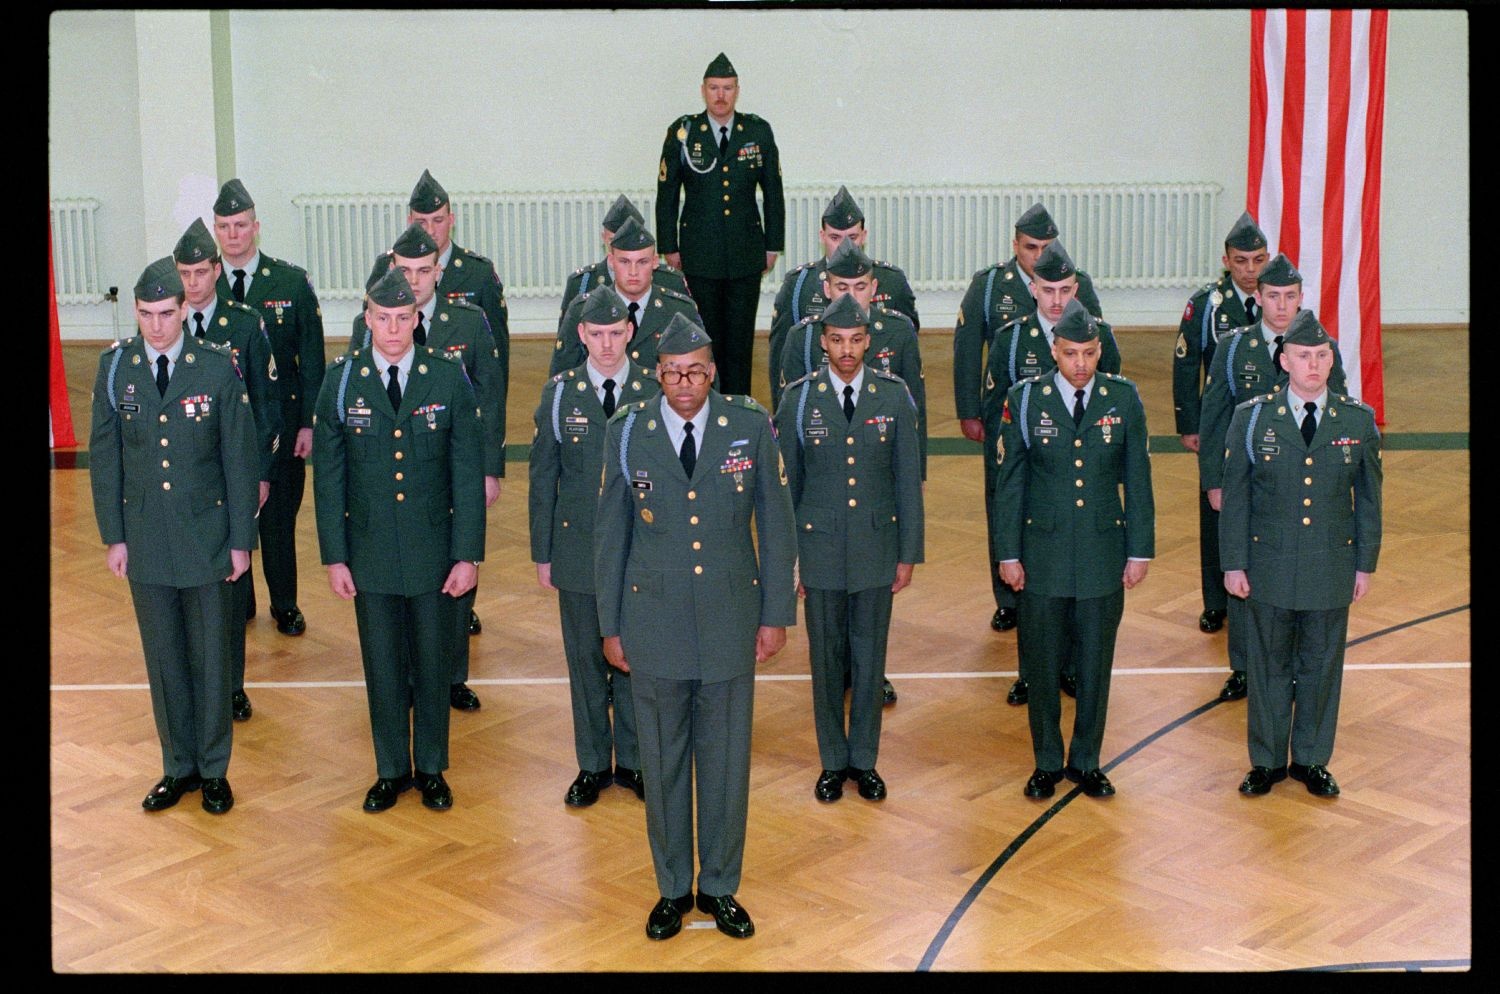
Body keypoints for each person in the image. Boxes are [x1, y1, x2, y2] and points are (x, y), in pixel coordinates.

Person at [595, 313, 797, 941]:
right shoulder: (627, 433)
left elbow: (777, 522)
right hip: (651, 622)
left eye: (698, 371)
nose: (686, 383)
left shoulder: (748, 426)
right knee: (660, 762)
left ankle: (720, 887)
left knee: (727, 762)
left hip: (730, 619)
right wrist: (611, 625)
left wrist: (775, 616)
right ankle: (671, 887)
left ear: (714, 372)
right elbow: (610, 537)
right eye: (674, 372)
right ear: (656, 373)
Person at [311, 268, 486, 812]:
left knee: (434, 664)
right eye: (382, 319)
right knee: (382, 664)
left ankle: (431, 768)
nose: (392, 329)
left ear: (417, 319)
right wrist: (335, 557)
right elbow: (329, 477)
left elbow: (466, 473)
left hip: (434, 550)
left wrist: (468, 554)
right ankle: (390, 769)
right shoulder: (341, 381)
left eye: (403, 318)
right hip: (371, 554)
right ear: (367, 320)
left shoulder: (446, 377)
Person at [89, 257, 259, 814]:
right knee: (163, 657)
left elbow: (238, 459)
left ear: (185, 310)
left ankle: (214, 769)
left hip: (207, 537)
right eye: (145, 314)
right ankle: (177, 766)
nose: (156, 325)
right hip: (146, 540)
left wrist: (241, 542)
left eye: (166, 313)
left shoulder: (215, 368)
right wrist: (114, 536)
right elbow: (105, 457)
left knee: (211, 659)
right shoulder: (116, 369)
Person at [993, 299, 1154, 800]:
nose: (1080, 364)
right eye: (1070, 354)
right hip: (1042, 554)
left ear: (1099, 351)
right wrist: (1007, 553)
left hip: (1103, 552)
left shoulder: (1122, 399)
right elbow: (1010, 485)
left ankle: (1086, 759)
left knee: (1094, 664)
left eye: (1088, 353)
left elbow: (1138, 481)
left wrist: (1140, 550)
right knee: (1040, 664)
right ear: (1053, 352)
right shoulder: (1024, 400)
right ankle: (1046, 760)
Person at [1221, 311, 1381, 797]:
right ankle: (1266, 762)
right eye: (1303, 356)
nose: (1313, 365)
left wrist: (1364, 564)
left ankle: (1311, 760)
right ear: (1284, 360)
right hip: (1267, 562)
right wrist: (1232, 562)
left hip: (1330, 563)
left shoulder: (1357, 419)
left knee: (1321, 664)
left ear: (1331, 360)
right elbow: (1237, 496)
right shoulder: (1252, 419)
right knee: (1268, 664)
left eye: (1321, 355)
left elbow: (1370, 498)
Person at [774, 293, 923, 804]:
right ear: (823, 342)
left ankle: (866, 760)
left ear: (868, 342)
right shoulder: (798, 400)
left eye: (856, 340)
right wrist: (786, 561)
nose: (846, 350)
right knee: (825, 659)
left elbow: (907, 481)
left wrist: (909, 553)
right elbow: (785, 490)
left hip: (876, 549)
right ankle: (832, 762)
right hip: (817, 551)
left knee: (869, 659)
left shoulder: (893, 395)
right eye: (837, 340)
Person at [351, 222, 504, 711]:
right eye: (404, 270)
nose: (414, 281)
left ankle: (451, 675)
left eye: (423, 270)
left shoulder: (468, 320)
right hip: (405, 472)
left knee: (454, 580)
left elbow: (491, 397)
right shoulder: (374, 323)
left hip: (455, 473)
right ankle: (409, 679)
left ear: (439, 271)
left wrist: (489, 468)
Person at [1197, 253, 1347, 702]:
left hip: (1298, 481)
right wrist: (1214, 481)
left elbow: (1336, 415)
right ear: (1257, 297)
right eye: (1273, 296)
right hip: (1248, 482)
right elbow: (1214, 418)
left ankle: (1296, 666)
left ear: (1302, 298)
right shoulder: (1233, 348)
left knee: (1297, 577)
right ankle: (1243, 667)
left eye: (1290, 297)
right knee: (1246, 579)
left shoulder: (1322, 350)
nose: (1282, 306)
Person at [530, 286, 659, 807]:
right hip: (578, 551)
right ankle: (591, 764)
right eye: (596, 334)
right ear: (581, 335)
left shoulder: (652, 392)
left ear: (630, 332)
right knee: (584, 658)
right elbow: (544, 478)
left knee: (634, 655)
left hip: (640, 551)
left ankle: (631, 761)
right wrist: (542, 552)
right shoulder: (561, 394)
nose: (606, 344)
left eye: (615, 333)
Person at [979, 240, 1120, 706]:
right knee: (1034, 593)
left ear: (1076, 288)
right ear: (1032, 288)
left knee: (1080, 589)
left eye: (1065, 289)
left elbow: (1112, 406)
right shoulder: (1012, 339)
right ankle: (1031, 673)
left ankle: (1076, 670)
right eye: (1047, 289)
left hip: (1080, 481)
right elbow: (995, 406)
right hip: (1032, 485)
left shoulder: (1100, 338)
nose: (1056, 300)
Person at [955, 202, 1104, 636]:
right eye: (1030, 247)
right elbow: (968, 349)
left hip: (1067, 423)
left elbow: (1098, 348)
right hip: (1008, 418)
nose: (1038, 257)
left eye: (1046, 247)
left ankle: (1057, 592)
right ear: (1015, 246)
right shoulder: (990, 286)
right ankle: (1009, 599)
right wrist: (969, 411)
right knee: (1003, 503)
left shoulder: (1079, 285)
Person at [173, 218, 283, 722]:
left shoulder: (244, 324)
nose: (193, 283)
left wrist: (260, 475)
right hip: (187, 480)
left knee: (232, 587)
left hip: (232, 479)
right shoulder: (164, 325)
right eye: (184, 274)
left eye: (200, 272)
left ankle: (233, 686)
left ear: (217, 270)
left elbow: (266, 402)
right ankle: (196, 684)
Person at [212, 178, 326, 638]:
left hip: (280, 424)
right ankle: (242, 601)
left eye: (240, 225)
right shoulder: (204, 285)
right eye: (224, 226)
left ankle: (285, 604)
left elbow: (313, 359)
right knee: (234, 518)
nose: (233, 234)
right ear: (215, 231)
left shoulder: (290, 283)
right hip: (224, 428)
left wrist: (308, 424)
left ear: (256, 227)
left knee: (278, 520)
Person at [407, 168, 511, 638]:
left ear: (452, 221)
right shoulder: (389, 278)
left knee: (464, 534)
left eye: (438, 220)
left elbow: (494, 376)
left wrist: (493, 464)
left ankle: (461, 612)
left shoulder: (477, 274)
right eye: (421, 221)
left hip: (461, 442)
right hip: (409, 444)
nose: (429, 230)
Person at [655, 52, 785, 396]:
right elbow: (666, 193)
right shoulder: (684, 132)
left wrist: (773, 244)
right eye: (714, 88)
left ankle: (739, 404)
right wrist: (669, 245)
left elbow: (773, 191)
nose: (720, 95)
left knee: (740, 339)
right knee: (705, 335)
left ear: (737, 91)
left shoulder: (757, 131)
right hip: (699, 254)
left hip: (745, 252)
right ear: (703, 90)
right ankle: (708, 403)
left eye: (727, 88)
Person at [1172, 213, 1269, 640]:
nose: (1250, 271)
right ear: (1226, 261)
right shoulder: (1207, 305)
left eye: (1258, 260)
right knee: (1215, 513)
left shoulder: (1278, 300)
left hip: (1268, 426)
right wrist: (1188, 423)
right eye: (1242, 261)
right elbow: (1185, 362)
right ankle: (1215, 602)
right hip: (1222, 427)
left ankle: (1260, 588)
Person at [768, 185, 919, 412]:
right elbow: (781, 358)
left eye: (853, 236)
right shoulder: (798, 285)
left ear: (864, 236)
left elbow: (908, 351)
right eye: (836, 237)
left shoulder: (892, 281)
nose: (845, 245)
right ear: (823, 237)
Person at [550, 217, 703, 377]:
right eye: (624, 262)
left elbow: (703, 376)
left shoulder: (680, 310)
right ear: (611, 261)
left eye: (642, 262)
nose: (633, 271)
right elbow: (562, 379)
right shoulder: (582, 310)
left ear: (655, 263)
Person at [559, 194, 690, 319]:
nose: (622, 248)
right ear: (603, 238)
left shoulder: (670, 281)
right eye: (613, 241)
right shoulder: (582, 283)